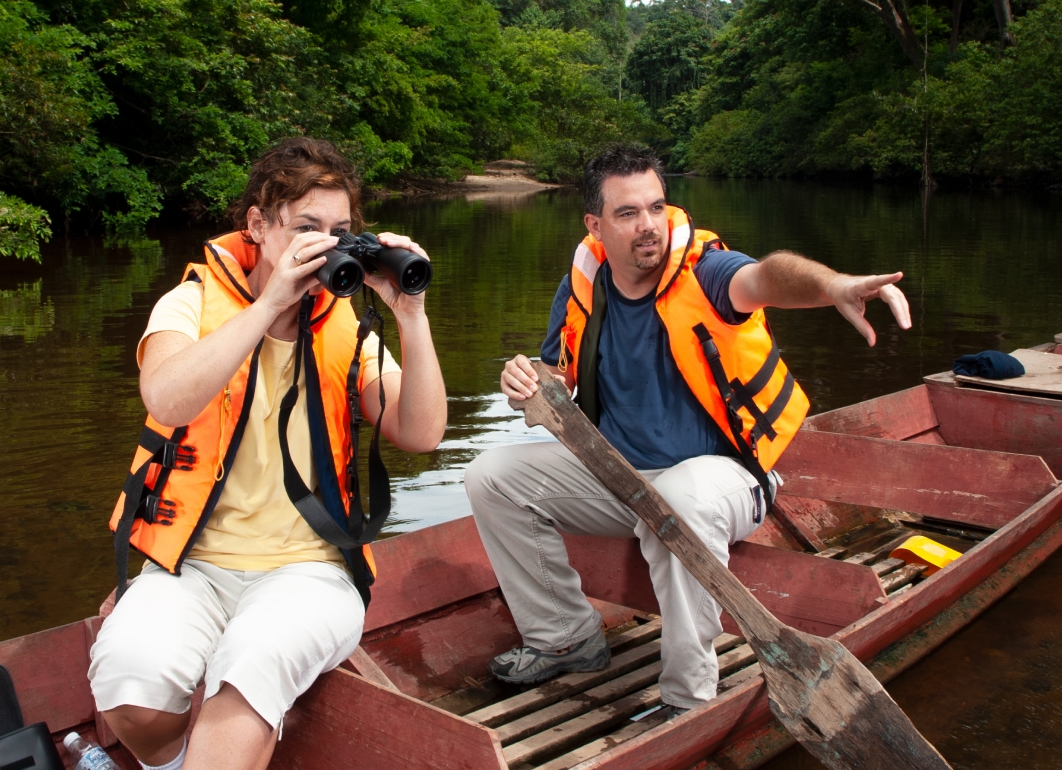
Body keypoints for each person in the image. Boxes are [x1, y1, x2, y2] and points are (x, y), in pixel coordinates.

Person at [464, 143, 910, 720]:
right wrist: (527, 377)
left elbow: (768, 277)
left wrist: (832, 286)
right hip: (622, 477)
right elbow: (557, 372)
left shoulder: (706, 272)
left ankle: (687, 699)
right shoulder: (585, 282)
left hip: (726, 481)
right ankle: (566, 640)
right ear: (594, 224)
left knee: (677, 498)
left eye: (656, 206)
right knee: (491, 476)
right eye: (627, 214)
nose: (648, 225)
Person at [88, 137, 446, 770]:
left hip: (310, 570)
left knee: (246, 677)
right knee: (130, 688)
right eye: (306, 228)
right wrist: (269, 304)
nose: (324, 246)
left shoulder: (347, 325)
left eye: (340, 231)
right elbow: (168, 400)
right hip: (190, 564)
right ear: (257, 224)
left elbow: (421, 432)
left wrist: (410, 316)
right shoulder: (192, 303)